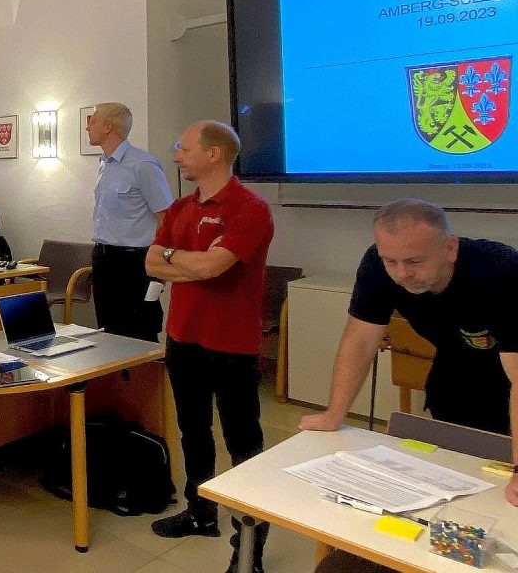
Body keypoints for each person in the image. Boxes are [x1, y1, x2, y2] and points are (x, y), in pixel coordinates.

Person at [299, 198, 518, 503]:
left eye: (415, 261)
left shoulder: (500, 271)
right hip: (455, 366)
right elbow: (360, 341)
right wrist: (334, 414)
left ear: (450, 249)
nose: (402, 274)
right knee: (455, 467)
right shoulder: (377, 264)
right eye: (392, 261)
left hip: (510, 369)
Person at [146, 121, 274, 573]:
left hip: (232, 346)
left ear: (215, 153)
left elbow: (213, 269)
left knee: (243, 442)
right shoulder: (181, 207)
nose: (177, 156)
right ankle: (200, 513)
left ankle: (250, 542)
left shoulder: (249, 208)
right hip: (183, 338)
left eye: (184, 148)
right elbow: (153, 262)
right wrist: (183, 262)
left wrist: (174, 260)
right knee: (192, 433)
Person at [88, 102, 173, 342]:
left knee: (138, 330)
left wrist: (162, 263)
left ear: (107, 127)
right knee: (108, 328)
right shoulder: (104, 164)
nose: (87, 127)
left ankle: (144, 379)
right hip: (105, 258)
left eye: (92, 121)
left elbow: (165, 217)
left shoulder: (142, 164)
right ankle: (116, 379)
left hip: (135, 261)